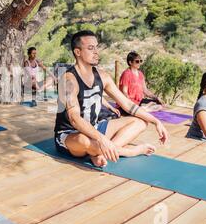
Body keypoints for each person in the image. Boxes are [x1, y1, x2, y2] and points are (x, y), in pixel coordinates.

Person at [55, 30, 169, 168]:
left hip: (94, 128)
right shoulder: (68, 80)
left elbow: (127, 104)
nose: (96, 51)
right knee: (83, 140)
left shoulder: (103, 76)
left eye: (97, 47)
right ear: (77, 52)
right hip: (70, 135)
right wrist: (102, 139)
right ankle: (127, 151)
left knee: (141, 122)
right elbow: (74, 119)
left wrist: (156, 122)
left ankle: (98, 153)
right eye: (90, 48)